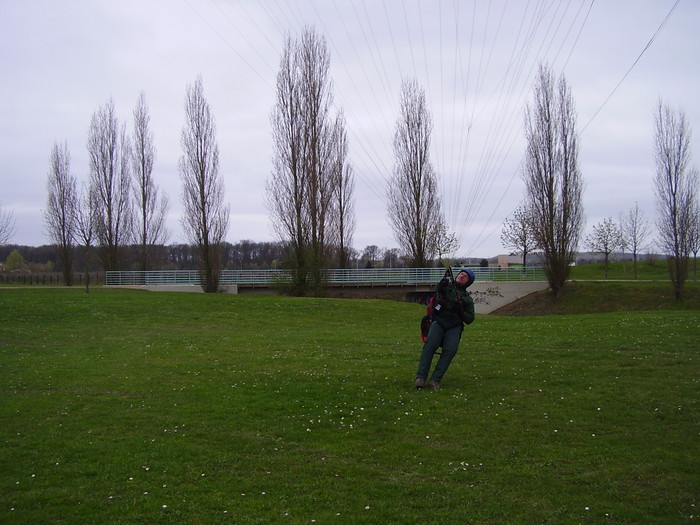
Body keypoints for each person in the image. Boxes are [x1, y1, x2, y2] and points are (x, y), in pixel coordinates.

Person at [415, 268, 476, 390]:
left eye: (465, 277)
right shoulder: (445, 287)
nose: (462, 276)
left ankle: (435, 380)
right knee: (430, 345)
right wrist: (441, 285)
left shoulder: (467, 299)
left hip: (454, 325)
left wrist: (461, 311)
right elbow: (438, 291)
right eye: (461, 274)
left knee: (450, 350)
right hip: (439, 321)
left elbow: (470, 319)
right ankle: (421, 377)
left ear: (468, 283)